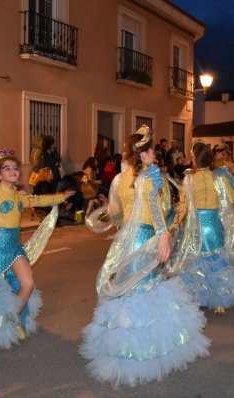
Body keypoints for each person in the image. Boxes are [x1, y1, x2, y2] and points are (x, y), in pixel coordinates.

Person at [80, 126, 210, 388]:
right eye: (152, 151)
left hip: (126, 241)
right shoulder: (151, 177)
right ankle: (146, 351)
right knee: (147, 290)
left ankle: (124, 352)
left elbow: (115, 213)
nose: (155, 155)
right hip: (147, 239)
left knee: (126, 291)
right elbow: (158, 207)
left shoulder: (119, 179)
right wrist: (164, 235)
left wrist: (117, 223)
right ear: (145, 153)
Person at [0, 149, 73, 353]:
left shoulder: (19, 196)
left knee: (27, 283)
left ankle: (12, 318)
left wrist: (60, 197)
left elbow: (37, 200)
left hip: (14, 246)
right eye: (7, 168)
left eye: (15, 168)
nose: (13, 171)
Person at [170, 141, 234, 314]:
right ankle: (220, 301)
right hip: (214, 223)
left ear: (195, 159)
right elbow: (233, 195)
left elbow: (183, 206)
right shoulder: (220, 176)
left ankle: (199, 297)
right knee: (216, 259)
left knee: (198, 260)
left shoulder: (190, 179)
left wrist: (173, 226)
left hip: (198, 223)